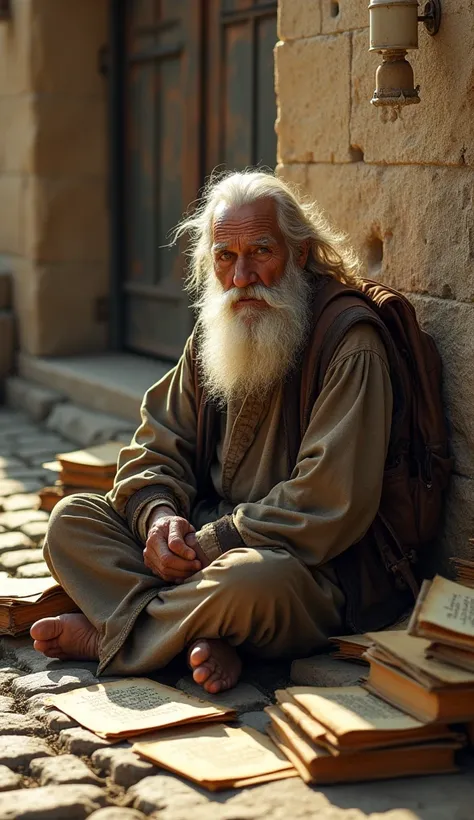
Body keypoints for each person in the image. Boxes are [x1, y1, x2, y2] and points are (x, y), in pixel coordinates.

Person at [30, 170, 400, 694]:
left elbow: (328, 502)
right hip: (199, 547)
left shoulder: (348, 342)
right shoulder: (216, 328)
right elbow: (157, 444)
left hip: (300, 569)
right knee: (71, 520)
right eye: (225, 257)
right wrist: (160, 521)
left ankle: (115, 634)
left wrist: (212, 543)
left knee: (248, 583)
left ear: (298, 254)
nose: (243, 275)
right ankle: (194, 633)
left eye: (261, 252)